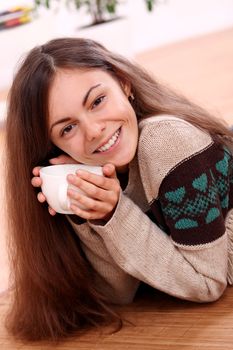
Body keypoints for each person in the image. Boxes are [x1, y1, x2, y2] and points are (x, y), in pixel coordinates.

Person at [5, 37, 233, 342]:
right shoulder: (102, 174)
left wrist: (117, 213)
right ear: (53, 146)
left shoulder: (164, 140)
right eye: (67, 128)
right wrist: (90, 209)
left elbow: (207, 283)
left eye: (97, 101)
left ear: (123, 83)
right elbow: (121, 291)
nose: (94, 130)